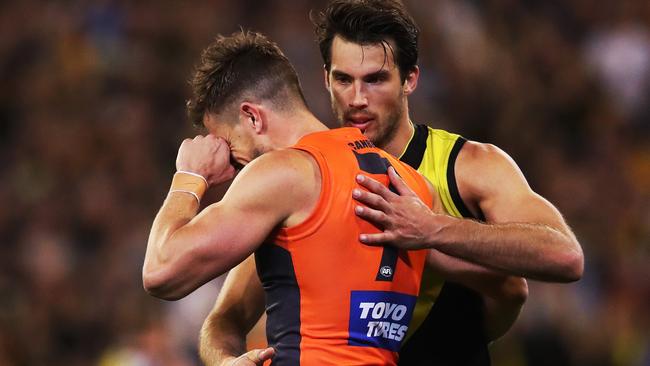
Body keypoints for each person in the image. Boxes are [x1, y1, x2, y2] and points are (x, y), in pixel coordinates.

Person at [199, 1, 584, 365]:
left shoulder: (465, 166)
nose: (357, 99)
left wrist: (432, 228)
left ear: (410, 79)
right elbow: (224, 318)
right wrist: (224, 360)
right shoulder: (302, 178)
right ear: (325, 79)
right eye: (344, 80)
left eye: (376, 80)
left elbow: (565, 256)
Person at [143, 30, 449, 365]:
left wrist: (190, 176)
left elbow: (161, 273)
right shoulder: (414, 185)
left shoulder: (285, 173)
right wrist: (225, 361)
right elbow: (225, 319)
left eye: (228, 143)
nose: (231, 163)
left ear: (252, 117)